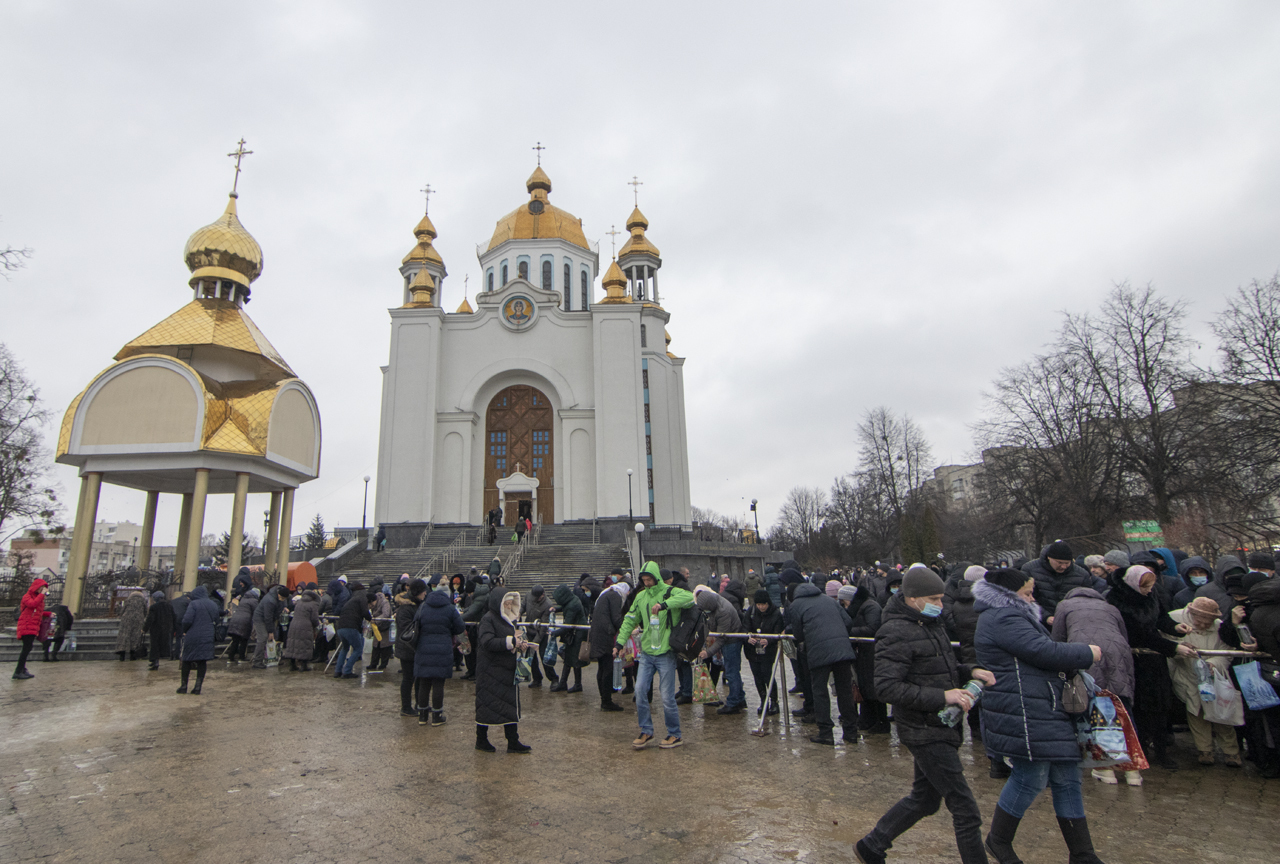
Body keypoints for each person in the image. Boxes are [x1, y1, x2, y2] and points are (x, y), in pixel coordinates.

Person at [854, 566, 996, 864]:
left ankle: (873, 844)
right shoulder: (894, 631)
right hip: (923, 730)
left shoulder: (931, 622)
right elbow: (887, 687)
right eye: (934, 598)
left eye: (942, 598)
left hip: (940, 725)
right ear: (912, 598)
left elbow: (940, 669)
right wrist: (942, 696)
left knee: (925, 799)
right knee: (966, 809)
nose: (940, 605)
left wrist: (970, 670)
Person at [974, 568, 1105, 864]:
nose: (1033, 598)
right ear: (1009, 595)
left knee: (1068, 777)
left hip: (1041, 706)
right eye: (1027, 592)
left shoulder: (1009, 614)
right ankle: (998, 841)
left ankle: (1083, 854)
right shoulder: (1003, 616)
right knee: (1030, 777)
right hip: (1024, 708)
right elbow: (1041, 651)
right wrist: (1086, 653)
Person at [1107, 564, 1195, 771]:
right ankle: (1140, 747)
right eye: (1146, 587)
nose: (1149, 590)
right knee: (1140, 705)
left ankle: (1161, 748)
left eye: (1151, 586)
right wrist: (1173, 648)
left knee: (1161, 702)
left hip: (1155, 658)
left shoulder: (1151, 595)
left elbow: (1161, 618)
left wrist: (1174, 627)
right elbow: (1140, 635)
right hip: (1134, 659)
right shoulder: (1118, 601)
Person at [1051, 583, 1137, 785]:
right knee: (1121, 707)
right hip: (1118, 652)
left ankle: (1103, 767)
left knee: (1091, 706)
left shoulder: (1064, 605)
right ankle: (1132, 770)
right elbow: (1123, 634)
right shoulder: (1110, 607)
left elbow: (1058, 639)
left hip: (1084, 652)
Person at [614, 561, 694, 750]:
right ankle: (646, 730)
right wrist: (619, 642)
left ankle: (675, 734)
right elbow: (629, 619)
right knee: (640, 691)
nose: (646, 583)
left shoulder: (670, 591)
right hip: (647, 653)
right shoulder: (640, 596)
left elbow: (689, 598)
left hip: (666, 652)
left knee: (667, 696)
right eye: (644, 580)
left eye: (649, 579)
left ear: (656, 577)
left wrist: (665, 605)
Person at [1168, 597, 1240, 767]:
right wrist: (1179, 649)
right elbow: (1165, 642)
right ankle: (1204, 750)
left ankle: (1231, 752)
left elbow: (1227, 650)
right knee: (1196, 712)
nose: (1203, 626)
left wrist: (1214, 663)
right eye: (1199, 622)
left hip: (1214, 676)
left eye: (1207, 623)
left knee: (1222, 715)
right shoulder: (1174, 619)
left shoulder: (1219, 626)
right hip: (1187, 673)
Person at [786, 577, 857, 745]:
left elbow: (798, 634)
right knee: (845, 691)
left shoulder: (795, 605)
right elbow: (848, 621)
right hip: (842, 649)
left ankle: (826, 732)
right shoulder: (828, 600)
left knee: (820, 692)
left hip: (818, 651)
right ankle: (851, 732)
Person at [475, 590, 531, 752]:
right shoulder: (488, 619)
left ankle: (513, 741)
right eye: (506, 603)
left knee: (509, 705)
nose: (509, 606)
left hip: (506, 670)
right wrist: (511, 641)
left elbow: (509, 641)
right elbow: (487, 642)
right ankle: (481, 739)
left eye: (510, 603)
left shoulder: (509, 620)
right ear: (497, 603)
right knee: (486, 705)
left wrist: (520, 644)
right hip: (490, 670)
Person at [415, 575, 465, 726]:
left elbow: (416, 624)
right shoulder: (450, 609)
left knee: (424, 682)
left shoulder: (423, 607)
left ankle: (422, 716)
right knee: (438, 683)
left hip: (423, 647)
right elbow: (460, 627)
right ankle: (437, 716)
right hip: (442, 648)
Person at [693, 583, 748, 714]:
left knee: (731, 671)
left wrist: (708, 652)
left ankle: (734, 702)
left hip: (732, 641)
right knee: (732, 671)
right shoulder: (712, 604)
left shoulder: (723, 611)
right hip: (727, 639)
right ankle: (740, 699)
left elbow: (722, 637)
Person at [839, 584, 886, 733]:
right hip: (864, 652)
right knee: (866, 687)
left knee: (873, 688)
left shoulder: (870, 606)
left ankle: (880, 722)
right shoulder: (862, 607)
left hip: (872, 652)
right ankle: (869, 720)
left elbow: (873, 628)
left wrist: (849, 633)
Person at [1022, 540, 1101, 625]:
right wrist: (1046, 616)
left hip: (1072, 622)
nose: (1063, 566)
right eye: (1059, 562)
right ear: (1049, 557)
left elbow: (1088, 600)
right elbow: (1025, 598)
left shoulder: (1081, 575)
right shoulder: (1030, 570)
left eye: (1067, 563)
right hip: (1041, 623)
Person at [589, 579, 630, 711]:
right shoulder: (615, 596)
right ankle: (606, 701)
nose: (628, 595)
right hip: (605, 635)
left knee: (602, 668)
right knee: (607, 668)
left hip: (597, 634)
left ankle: (604, 699)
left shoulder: (606, 594)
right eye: (628, 592)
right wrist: (627, 630)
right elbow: (616, 618)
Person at [744, 588, 785, 716]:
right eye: (759, 604)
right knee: (757, 676)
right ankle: (763, 700)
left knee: (768, 675)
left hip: (768, 651)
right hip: (752, 650)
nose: (761, 607)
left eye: (763, 604)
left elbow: (778, 631)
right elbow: (745, 627)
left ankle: (774, 701)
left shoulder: (776, 613)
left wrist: (769, 640)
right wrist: (748, 637)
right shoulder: (751, 611)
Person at [393, 578, 426, 716]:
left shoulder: (417, 604)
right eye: (424, 591)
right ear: (418, 592)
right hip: (407, 647)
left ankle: (420, 704)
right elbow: (407, 629)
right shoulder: (406, 608)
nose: (425, 594)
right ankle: (405, 707)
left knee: (418, 677)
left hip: (414, 647)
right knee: (408, 678)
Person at [177, 585, 220, 694]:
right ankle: (197, 687)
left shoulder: (194, 604)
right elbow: (217, 619)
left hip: (193, 635)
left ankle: (183, 686)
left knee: (187, 659)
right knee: (202, 661)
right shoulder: (213, 604)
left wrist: (185, 630)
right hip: (208, 635)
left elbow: (187, 620)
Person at [549, 584, 587, 693]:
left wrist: (554, 633)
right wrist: (556, 609)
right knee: (568, 658)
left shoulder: (572, 605)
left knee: (575, 659)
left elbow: (567, 626)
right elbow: (565, 606)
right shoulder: (572, 599)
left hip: (577, 634)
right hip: (575, 633)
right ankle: (563, 683)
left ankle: (577, 684)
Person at [521, 585, 559, 688]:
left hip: (540, 634)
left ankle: (554, 678)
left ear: (542, 595)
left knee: (544, 657)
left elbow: (544, 627)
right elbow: (523, 606)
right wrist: (517, 615)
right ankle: (537, 679)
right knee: (530, 657)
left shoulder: (547, 605)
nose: (534, 599)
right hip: (529, 630)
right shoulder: (529, 595)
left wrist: (536, 642)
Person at [12, 578, 49, 680]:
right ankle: (18, 671)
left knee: (27, 648)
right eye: (41, 588)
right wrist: (41, 595)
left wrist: (49, 614)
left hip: (33, 626)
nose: (43, 590)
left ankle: (22, 669)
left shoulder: (38, 599)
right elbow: (32, 604)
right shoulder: (27, 596)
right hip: (26, 626)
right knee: (26, 648)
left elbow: (39, 612)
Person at [334, 581, 370, 679]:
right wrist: (370, 619)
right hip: (351, 627)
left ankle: (337, 671)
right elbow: (365, 612)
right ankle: (347, 671)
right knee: (358, 649)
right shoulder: (362, 597)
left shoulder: (350, 599)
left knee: (345, 648)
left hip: (341, 627)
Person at [460, 574, 491, 680]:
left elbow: (473, 610)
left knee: (479, 651)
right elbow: (470, 608)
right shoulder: (478, 594)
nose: (468, 595)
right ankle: (472, 671)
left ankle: (478, 674)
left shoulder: (481, 596)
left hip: (481, 625)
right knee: (472, 650)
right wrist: (462, 612)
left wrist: (459, 618)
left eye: (469, 593)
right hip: (474, 626)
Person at [283, 587, 320, 672]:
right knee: (305, 644)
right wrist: (317, 625)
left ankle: (292, 665)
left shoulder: (299, 602)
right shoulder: (313, 604)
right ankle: (304, 665)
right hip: (305, 625)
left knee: (293, 644)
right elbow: (314, 618)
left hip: (294, 624)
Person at [251, 585, 286, 669]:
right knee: (263, 637)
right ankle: (257, 661)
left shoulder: (282, 598)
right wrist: (270, 631)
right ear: (278, 594)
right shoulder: (270, 600)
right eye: (281, 597)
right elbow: (268, 617)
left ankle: (275, 658)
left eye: (284, 598)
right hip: (260, 618)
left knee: (275, 637)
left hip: (270, 619)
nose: (282, 600)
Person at [142, 591, 175, 671]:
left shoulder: (154, 607)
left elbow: (150, 619)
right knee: (164, 644)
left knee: (155, 646)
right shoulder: (169, 606)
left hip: (156, 629)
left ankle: (155, 661)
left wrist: (144, 629)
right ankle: (160, 659)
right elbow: (174, 617)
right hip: (166, 629)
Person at [225, 587, 259, 662]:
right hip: (245, 621)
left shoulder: (243, 599)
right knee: (244, 640)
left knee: (235, 640)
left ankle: (230, 658)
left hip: (235, 619)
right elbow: (256, 612)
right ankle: (241, 657)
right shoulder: (254, 601)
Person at [367, 582, 393, 671]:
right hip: (377, 627)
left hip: (385, 627)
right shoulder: (374, 603)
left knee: (385, 647)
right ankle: (373, 664)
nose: (371, 607)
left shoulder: (384, 602)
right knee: (375, 647)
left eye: (371, 604)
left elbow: (386, 614)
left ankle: (383, 664)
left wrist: (377, 619)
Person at [115, 591, 147, 661]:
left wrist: (121, 615)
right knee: (135, 636)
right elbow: (145, 611)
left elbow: (122, 610)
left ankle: (122, 654)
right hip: (138, 620)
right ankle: (133, 654)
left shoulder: (128, 600)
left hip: (126, 619)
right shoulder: (143, 601)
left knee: (124, 636)